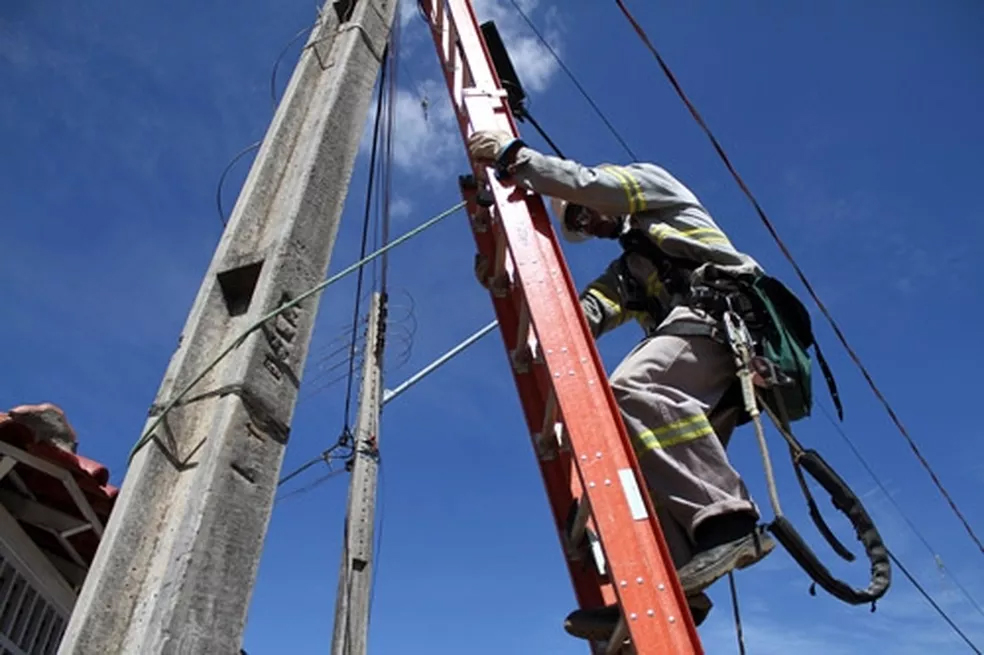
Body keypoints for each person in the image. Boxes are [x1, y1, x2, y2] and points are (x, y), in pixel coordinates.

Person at [467, 130, 776, 641]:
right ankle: (677, 586)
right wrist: (506, 274)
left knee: (630, 390)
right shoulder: (629, 270)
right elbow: (575, 316)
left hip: (725, 316)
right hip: (708, 352)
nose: (590, 223)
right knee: (646, 460)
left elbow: (589, 183)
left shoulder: (651, 187)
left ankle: (729, 525)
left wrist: (511, 157)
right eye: (582, 223)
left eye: (585, 214)